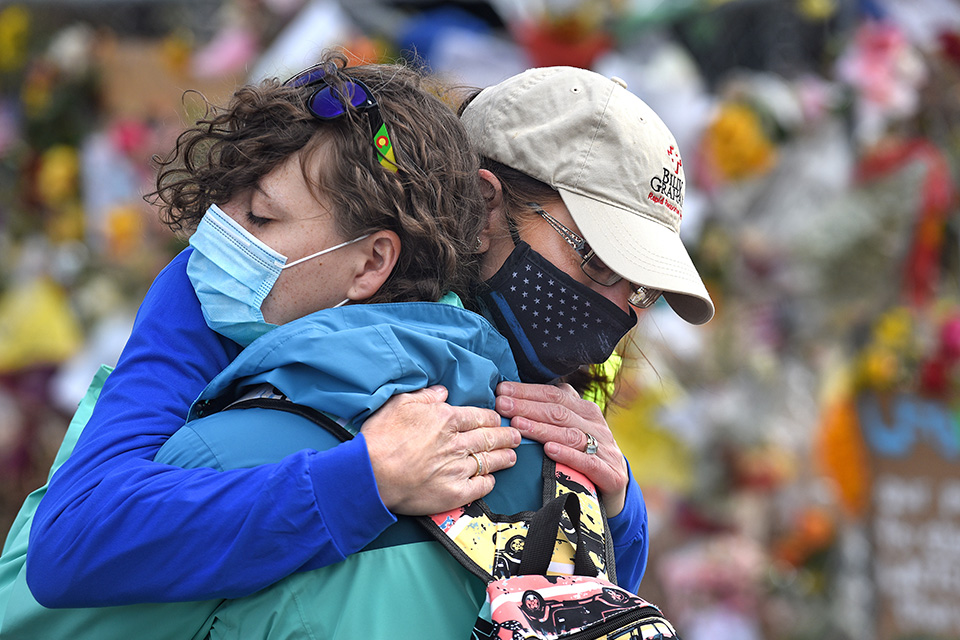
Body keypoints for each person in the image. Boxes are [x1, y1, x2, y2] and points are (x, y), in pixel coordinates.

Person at [1, 63, 712, 636]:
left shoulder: (547, 429)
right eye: (594, 262)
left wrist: (610, 505)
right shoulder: (222, 326)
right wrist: (357, 483)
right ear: (487, 207)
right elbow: (75, 543)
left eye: (640, 291)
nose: (617, 311)